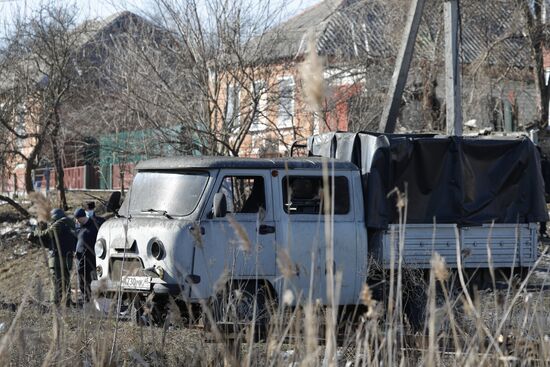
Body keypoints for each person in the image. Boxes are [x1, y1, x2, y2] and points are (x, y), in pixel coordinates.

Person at [31, 208, 77, 306]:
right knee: (66, 280)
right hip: (67, 259)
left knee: (55, 281)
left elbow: (45, 234)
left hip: (56, 259)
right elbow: (50, 242)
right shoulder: (70, 226)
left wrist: (35, 232)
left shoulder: (58, 225)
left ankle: (54, 303)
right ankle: (67, 301)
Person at [74, 208, 101, 303]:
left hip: (91, 256)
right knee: (82, 275)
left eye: (77, 219)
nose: (76, 221)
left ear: (82, 217)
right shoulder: (80, 227)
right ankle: (86, 296)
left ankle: (97, 297)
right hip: (81, 256)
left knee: (95, 276)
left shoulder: (93, 225)